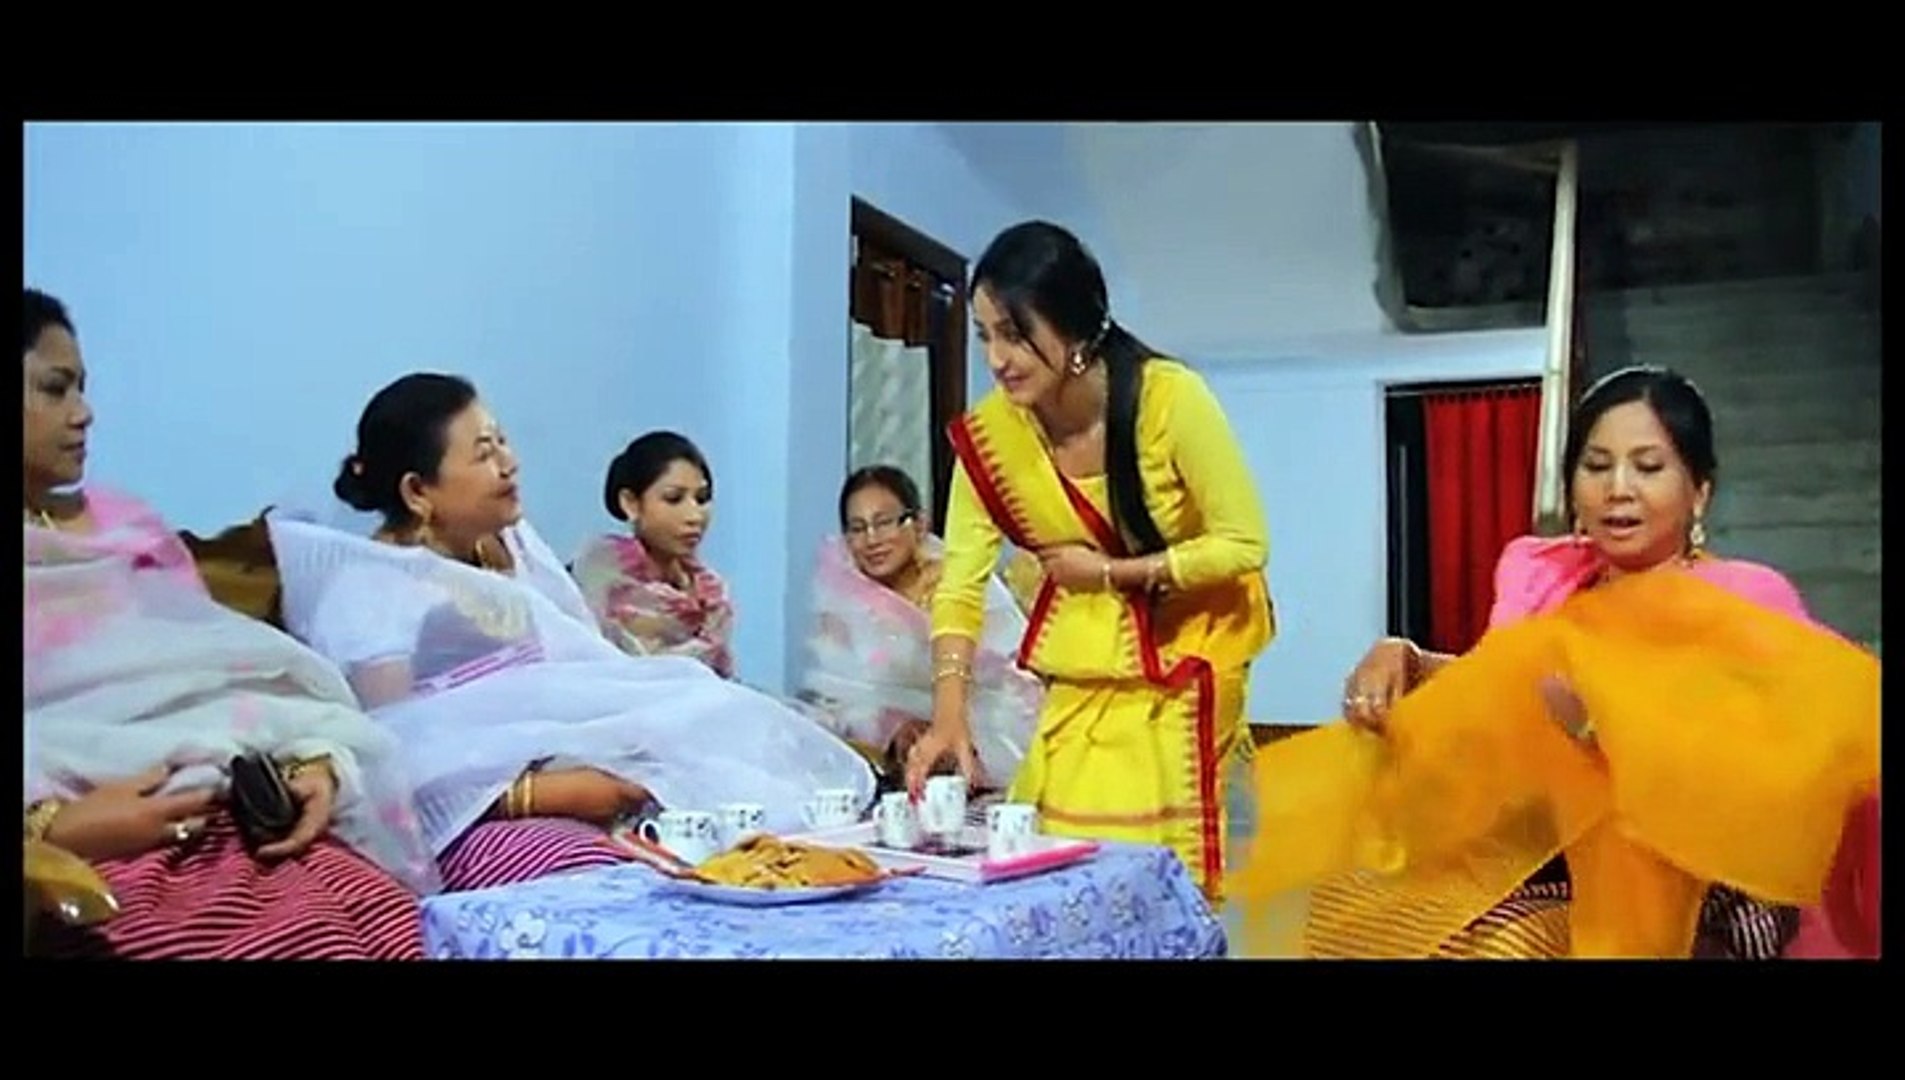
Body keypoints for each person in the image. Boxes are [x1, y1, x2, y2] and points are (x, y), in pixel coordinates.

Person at [1230, 365, 1881, 958]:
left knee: (1503, 949)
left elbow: (1778, 779)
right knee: (1344, 913)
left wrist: (1604, 732)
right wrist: (1409, 657)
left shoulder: (1746, 599)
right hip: (1547, 852)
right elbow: (1508, 688)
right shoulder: (1549, 578)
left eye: (1647, 467)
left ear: (1699, 493)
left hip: (1700, 877)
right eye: (1596, 465)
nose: (1618, 489)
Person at [266, 373, 875, 890]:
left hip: (581, 776)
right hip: (471, 821)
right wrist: (544, 794)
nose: (509, 462)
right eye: (483, 452)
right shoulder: (369, 594)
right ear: (418, 491)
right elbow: (394, 757)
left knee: (749, 800)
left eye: (502, 441)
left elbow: (585, 673)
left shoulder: (510, 552)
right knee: (617, 881)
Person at [22, 288, 437, 959]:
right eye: (55, 388)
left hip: (247, 814)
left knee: (383, 925)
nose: (84, 412)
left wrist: (316, 762)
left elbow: (221, 677)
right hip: (104, 857)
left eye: (82, 388)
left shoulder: (129, 525)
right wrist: (51, 829)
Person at [902, 222, 1275, 901]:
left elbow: (1243, 542)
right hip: (1082, 671)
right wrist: (949, 716)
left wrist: (1110, 574)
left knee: (1159, 875)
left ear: (1075, 327)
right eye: (984, 335)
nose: (996, 359)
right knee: (1059, 865)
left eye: (1015, 334)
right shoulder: (993, 438)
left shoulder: (1169, 400)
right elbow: (959, 586)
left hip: (1187, 661)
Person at [796, 465, 1042, 785]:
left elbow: (1009, 676)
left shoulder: (957, 585)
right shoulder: (842, 597)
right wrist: (892, 728)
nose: (872, 539)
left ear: (920, 524)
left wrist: (944, 722)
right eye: (857, 528)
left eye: (884, 523)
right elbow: (834, 695)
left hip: (984, 734)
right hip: (883, 757)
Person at [572, 431, 734, 677]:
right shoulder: (602, 584)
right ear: (631, 503)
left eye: (702, 499)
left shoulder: (710, 595)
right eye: (674, 499)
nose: (695, 516)